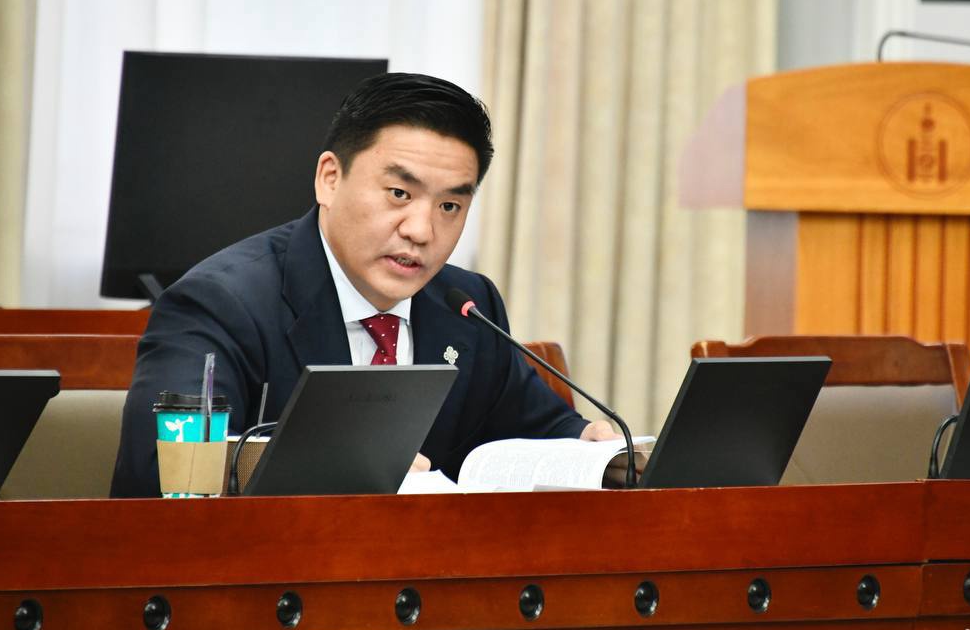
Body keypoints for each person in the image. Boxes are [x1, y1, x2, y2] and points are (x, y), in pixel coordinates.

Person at [111, 72, 616, 497]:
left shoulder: (466, 305)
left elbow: (538, 429)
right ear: (330, 179)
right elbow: (160, 478)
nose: (421, 230)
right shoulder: (220, 303)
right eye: (399, 193)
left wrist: (591, 445)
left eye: (449, 206)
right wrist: (339, 467)